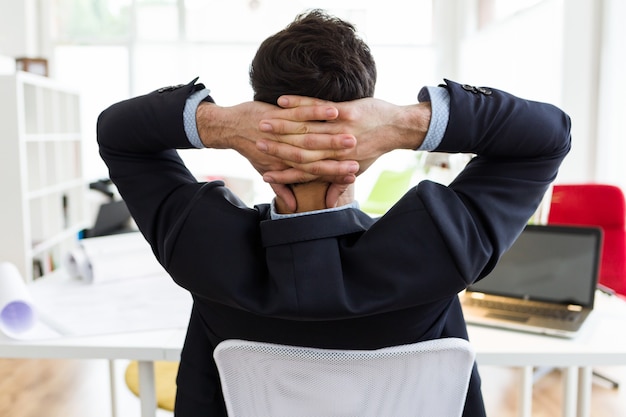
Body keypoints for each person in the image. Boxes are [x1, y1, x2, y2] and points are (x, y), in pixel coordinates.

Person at [97, 10, 571, 417]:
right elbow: (547, 137)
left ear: (261, 111)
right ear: (365, 112)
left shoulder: (198, 245)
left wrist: (221, 124)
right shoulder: (441, 248)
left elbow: (118, 133)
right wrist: (404, 125)